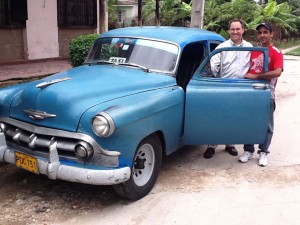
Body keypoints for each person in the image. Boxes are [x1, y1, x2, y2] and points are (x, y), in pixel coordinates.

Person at [203, 18, 253, 159]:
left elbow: (254, 66)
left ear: (243, 30)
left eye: (238, 29)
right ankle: (211, 145)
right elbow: (213, 67)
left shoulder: (249, 47)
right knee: (218, 117)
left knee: (234, 117)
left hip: (242, 88)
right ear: (229, 30)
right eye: (233, 29)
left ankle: (230, 144)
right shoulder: (222, 48)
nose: (235, 31)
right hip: (223, 87)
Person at [239, 22, 284, 167]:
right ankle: (248, 150)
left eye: (265, 32)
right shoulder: (254, 51)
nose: (262, 35)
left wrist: (257, 76)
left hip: (267, 94)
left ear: (271, 34)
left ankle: (263, 152)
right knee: (248, 123)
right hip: (251, 93)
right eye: (260, 33)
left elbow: (278, 71)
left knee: (267, 126)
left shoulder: (275, 52)